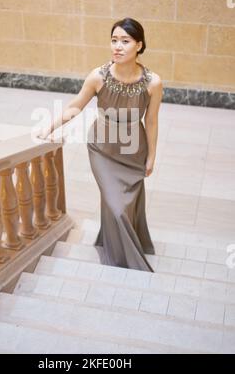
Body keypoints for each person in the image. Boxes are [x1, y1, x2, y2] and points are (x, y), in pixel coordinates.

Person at [37, 17, 162, 272]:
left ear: (139, 45)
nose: (117, 46)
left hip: (133, 150)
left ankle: (112, 241)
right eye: (114, 40)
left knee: (125, 203)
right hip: (102, 148)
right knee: (116, 205)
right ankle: (123, 259)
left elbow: (151, 121)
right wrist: (48, 127)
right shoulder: (98, 76)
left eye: (125, 41)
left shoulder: (153, 83)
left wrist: (151, 156)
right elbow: (75, 106)